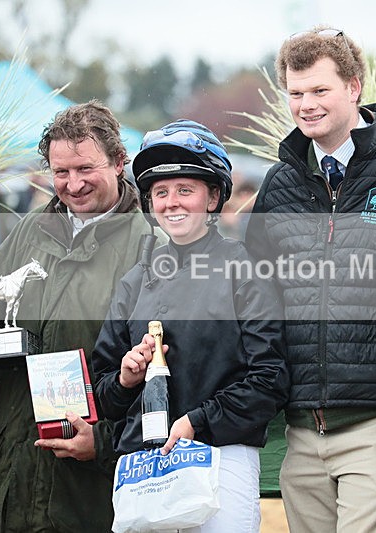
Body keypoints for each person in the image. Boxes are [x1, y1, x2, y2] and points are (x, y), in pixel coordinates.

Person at [244, 26, 376, 532]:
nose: (306, 104)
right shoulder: (279, 182)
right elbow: (254, 291)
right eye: (296, 93)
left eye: (319, 91)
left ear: (353, 87)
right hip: (301, 430)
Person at [0, 100, 156, 532]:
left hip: (92, 498)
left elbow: (165, 372)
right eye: (61, 172)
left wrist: (103, 444)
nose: (73, 184)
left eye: (85, 169)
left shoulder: (150, 246)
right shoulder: (29, 231)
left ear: (119, 162)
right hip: (9, 483)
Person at [93, 120, 289, 532]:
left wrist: (197, 422)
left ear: (214, 196)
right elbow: (104, 394)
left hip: (223, 457)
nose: (172, 203)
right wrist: (127, 378)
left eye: (186, 190)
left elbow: (269, 380)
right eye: (161, 193)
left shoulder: (243, 271)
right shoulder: (133, 283)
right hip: (145, 466)